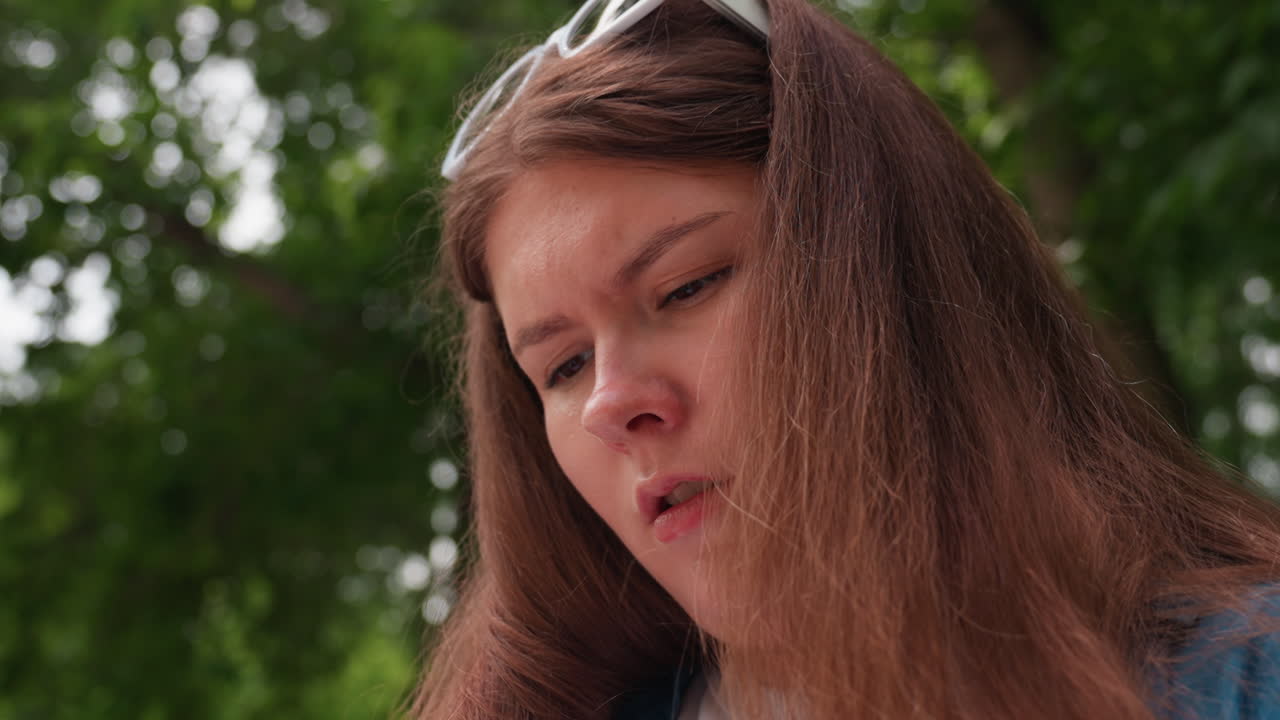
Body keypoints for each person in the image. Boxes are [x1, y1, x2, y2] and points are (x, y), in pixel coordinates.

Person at [410, 0, 1280, 717]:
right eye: (562, 367)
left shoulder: (1241, 676)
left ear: (894, 269)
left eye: (688, 286)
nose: (611, 403)